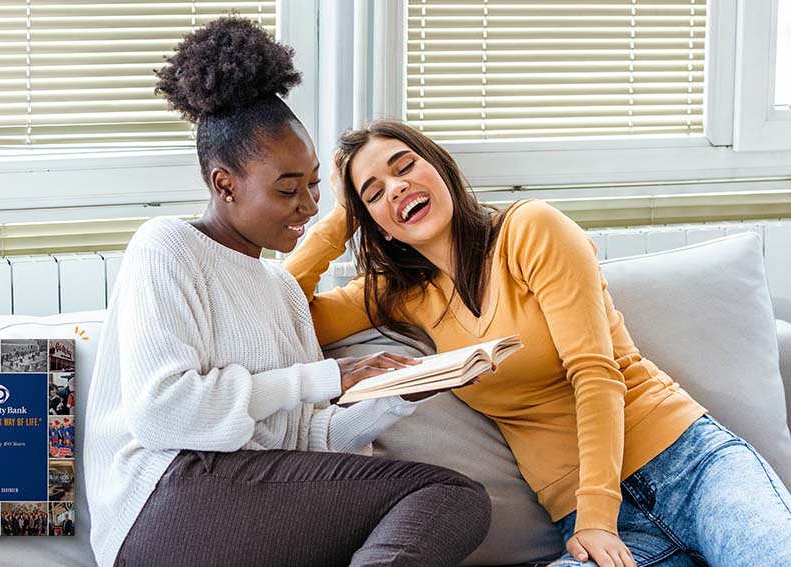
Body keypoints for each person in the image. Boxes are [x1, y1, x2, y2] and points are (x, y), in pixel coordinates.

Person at [285, 120, 791, 567]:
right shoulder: (400, 296)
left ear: (440, 169)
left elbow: (595, 371)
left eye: (405, 167)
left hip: (688, 465)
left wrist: (598, 514)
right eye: (374, 193)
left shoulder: (530, 229)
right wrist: (341, 217)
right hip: (580, 517)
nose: (396, 188)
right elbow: (282, 312)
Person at [84, 17, 492, 567]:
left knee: (458, 500)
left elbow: (307, 441)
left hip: (249, 500)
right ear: (224, 183)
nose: (309, 205)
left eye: (315, 183)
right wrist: (325, 376)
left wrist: (397, 396)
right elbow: (163, 413)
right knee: (449, 498)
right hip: (164, 501)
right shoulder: (168, 247)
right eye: (287, 189)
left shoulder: (282, 290)